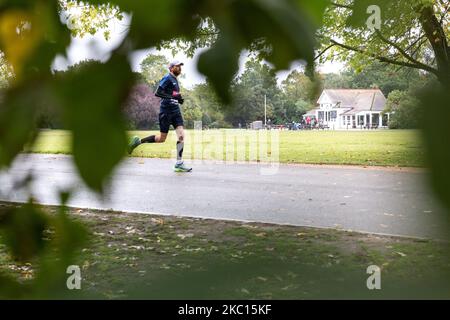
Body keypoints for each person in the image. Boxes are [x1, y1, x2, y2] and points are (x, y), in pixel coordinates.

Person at [127, 59, 192, 172]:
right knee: (161, 139)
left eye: (180, 66)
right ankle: (138, 142)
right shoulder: (167, 78)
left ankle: (179, 163)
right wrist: (172, 97)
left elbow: (172, 94)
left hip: (175, 111)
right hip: (166, 112)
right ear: (171, 68)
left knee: (181, 136)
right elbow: (158, 92)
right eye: (177, 66)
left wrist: (178, 99)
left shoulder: (175, 81)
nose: (179, 68)